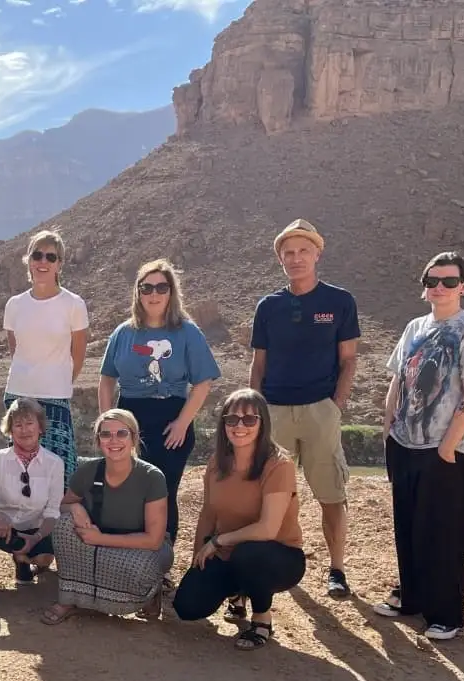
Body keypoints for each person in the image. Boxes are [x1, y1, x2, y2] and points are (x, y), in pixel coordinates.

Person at [377, 252, 464, 641]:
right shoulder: (414, 327)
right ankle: (412, 598)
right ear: (424, 286)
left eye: (448, 281)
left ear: (463, 286)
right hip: (405, 441)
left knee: (444, 531)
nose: (439, 288)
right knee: (408, 525)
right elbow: (398, 378)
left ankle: (447, 614)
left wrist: (448, 446)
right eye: (432, 281)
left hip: (447, 448)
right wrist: (388, 424)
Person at [249, 219, 359, 598]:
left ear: (317, 254)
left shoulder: (340, 301)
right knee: (274, 493)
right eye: (289, 253)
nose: (296, 259)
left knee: (330, 492)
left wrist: (336, 405)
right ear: (281, 258)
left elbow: (349, 360)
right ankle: (277, 565)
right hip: (275, 410)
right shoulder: (269, 306)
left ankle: (337, 570)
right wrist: (254, 410)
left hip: (319, 410)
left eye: (303, 251)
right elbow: (258, 364)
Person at [98, 259, 219, 572]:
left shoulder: (187, 333)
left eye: (161, 287)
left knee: (163, 492)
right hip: (130, 417)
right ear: (138, 292)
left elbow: (203, 382)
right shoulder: (123, 333)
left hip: (171, 419)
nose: (154, 294)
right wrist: (107, 424)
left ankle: (159, 565)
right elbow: (107, 379)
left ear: (171, 292)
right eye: (146, 287)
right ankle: (126, 559)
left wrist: (182, 422)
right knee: (126, 489)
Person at [171, 389, 307, 651]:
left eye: (249, 419)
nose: (239, 426)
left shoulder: (279, 465)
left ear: (263, 423)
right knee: (187, 607)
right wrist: (196, 559)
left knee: (249, 554)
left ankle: (262, 619)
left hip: (277, 557)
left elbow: (267, 529)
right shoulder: (217, 463)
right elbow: (208, 513)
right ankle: (237, 592)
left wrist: (218, 541)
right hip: (227, 554)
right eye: (231, 420)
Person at [41, 409, 171, 625]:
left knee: (141, 568)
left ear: (134, 439)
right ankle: (70, 598)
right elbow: (63, 504)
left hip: (141, 549)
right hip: (98, 541)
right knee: (64, 525)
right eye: (106, 434)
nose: (114, 440)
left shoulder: (152, 477)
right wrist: (75, 508)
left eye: (121, 433)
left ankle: (148, 594)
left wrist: (101, 540)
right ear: (98, 440)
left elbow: (153, 540)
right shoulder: (88, 471)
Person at [2, 229, 88, 481]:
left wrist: (58, 381)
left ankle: (57, 521)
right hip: (18, 395)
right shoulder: (14, 305)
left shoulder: (73, 304)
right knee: (21, 474)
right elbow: (15, 349)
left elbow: (78, 356)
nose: (43, 262)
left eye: (51, 257)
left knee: (59, 472)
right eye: (37, 255)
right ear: (28, 260)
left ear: (59, 264)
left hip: (56, 397)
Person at [0, 398, 64, 586]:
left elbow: (52, 511)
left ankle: (23, 560)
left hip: (32, 529)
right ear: (10, 430)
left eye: (29, 423)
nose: (24, 430)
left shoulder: (54, 464)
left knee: (43, 559)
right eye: (18, 425)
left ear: (40, 428)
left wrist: (35, 538)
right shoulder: (0, 459)